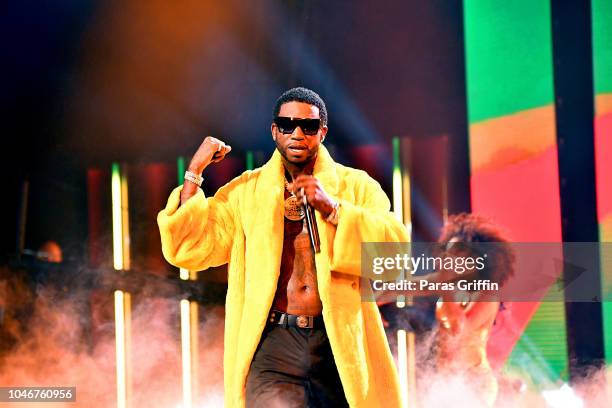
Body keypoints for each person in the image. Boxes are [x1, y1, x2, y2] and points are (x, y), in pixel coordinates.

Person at [158, 87, 409, 407]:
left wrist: (333, 208)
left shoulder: (355, 187)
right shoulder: (244, 192)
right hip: (275, 345)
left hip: (337, 345)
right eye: (287, 125)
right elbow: (189, 248)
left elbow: (395, 255)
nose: (297, 133)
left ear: (322, 132)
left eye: (308, 126)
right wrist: (195, 173)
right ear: (275, 131)